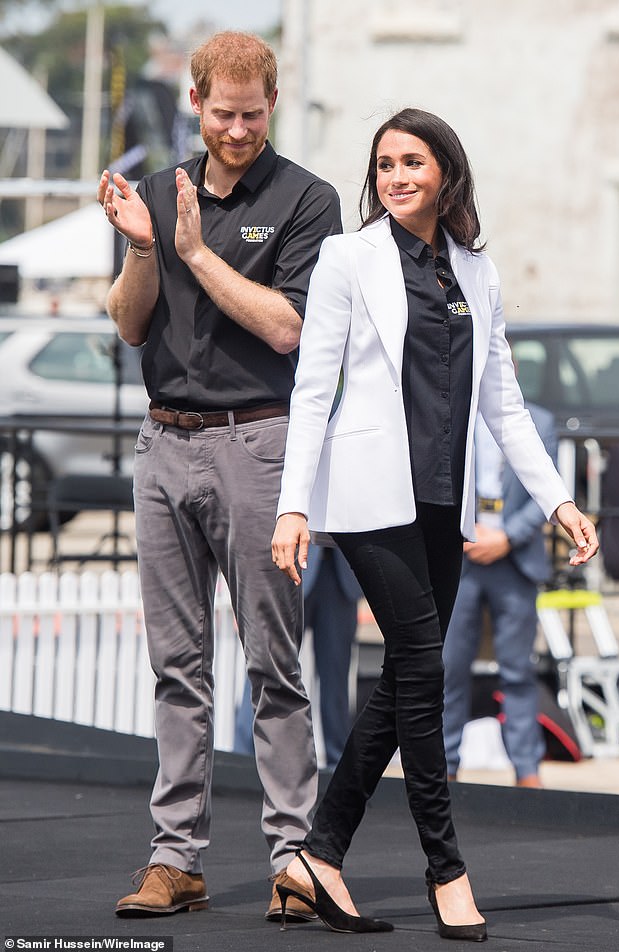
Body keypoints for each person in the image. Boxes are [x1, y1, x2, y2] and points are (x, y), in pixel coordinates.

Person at [271, 108, 598, 941]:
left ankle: (316, 856)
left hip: (441, 504)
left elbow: (504, 404)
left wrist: (558, 500)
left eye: (412, 162)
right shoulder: (348, 257)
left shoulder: (474, 273)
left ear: (445, 173)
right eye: (383, 164)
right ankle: (446, 871)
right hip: (367, 503)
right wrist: (295, 505)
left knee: (403, 682)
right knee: (423, 669)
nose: (396, 176)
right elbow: (314, 390)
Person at [97, 31, 342, 919]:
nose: (237, 129)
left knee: (274, 661)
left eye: (253, 113)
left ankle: (294, 859)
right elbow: (129, 328)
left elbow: (290, 330)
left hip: (258, 442)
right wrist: (140, 248)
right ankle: (176, 860)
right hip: (162, 442)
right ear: (195, 104)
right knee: (177, 666)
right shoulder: (159, 192)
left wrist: (195, 252)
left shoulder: (308, 200)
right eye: (223, 113)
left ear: (270, 105)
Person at [443, 406, 559, 788]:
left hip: (515, 560)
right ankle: (444, 767)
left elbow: (547, 493)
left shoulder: (540, 423)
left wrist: (505, 537)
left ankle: (527, 771)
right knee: (449, 668)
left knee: (518, 671)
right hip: (461, 558)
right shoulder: (454, 409)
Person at [234, 542, 362, 769]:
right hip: (289, 565)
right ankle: (243, 761)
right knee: (267, 666)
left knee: (337, 684)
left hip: (341, 569)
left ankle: (338, 773)